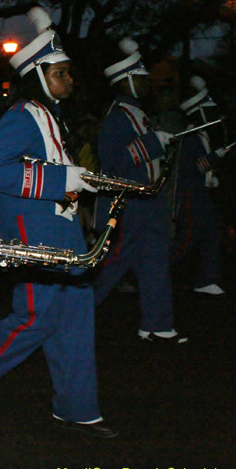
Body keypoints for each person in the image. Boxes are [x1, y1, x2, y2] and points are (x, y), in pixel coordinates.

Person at [0, 7, 117, 438]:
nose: (70, 80)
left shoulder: (52, 117)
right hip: (35, 232)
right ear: (38, 74)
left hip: (63, 230)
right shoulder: (22, 116)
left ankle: (77, 407)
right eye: (62, 73)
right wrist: (62, 178)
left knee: (76, 317)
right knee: (35, 317)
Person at [93, 38, 186, 344]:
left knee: (155, 265)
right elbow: (113, 160)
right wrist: (153, 143)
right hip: (128, 203)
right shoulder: (118, 116)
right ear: (128, 80)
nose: (149, 84)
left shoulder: (135, 113)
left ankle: (158, 324)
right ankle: (71, 316)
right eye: (143, 79)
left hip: (147, 200)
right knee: (112, 265)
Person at [170, 76, 229, 295]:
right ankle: (155, 269)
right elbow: (191, 168)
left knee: (212, 236)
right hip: (190, 196)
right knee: (187, 240)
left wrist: (211, 177)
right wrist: (215, 158)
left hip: (202, 193)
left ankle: (208, 278)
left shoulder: (202, 135)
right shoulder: (190, 137)